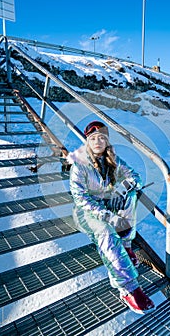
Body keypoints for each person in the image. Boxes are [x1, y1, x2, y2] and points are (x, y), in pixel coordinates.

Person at [68, 120, 155, 314]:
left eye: (102, 138)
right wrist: (108, 217)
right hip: (86, 213)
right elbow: (81, 199)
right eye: (93, 138)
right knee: (106, 231)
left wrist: (123, 188)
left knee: (130, 196)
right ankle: (129, 288)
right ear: (87, 142)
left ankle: (126, 245)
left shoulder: (112, 160)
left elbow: (135, 177)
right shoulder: (79, 165)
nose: (97, 141)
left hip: (107, 204)